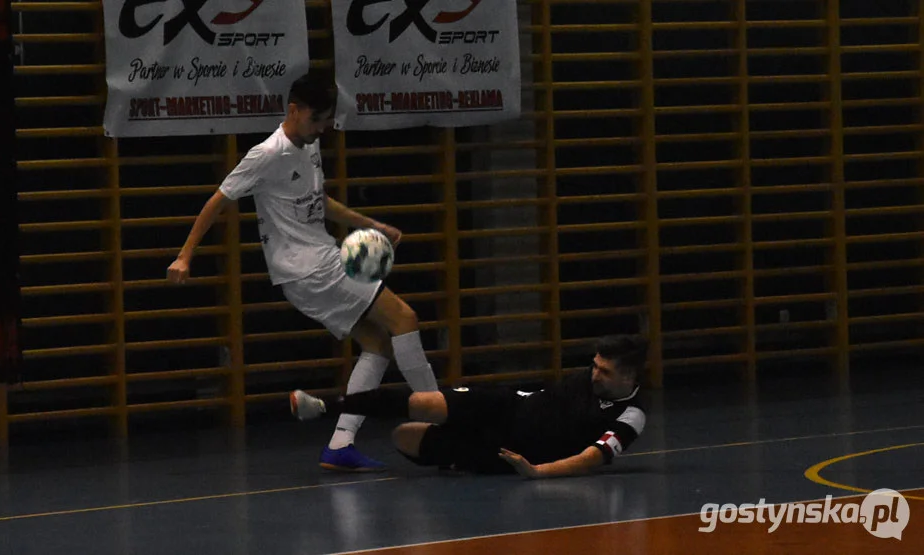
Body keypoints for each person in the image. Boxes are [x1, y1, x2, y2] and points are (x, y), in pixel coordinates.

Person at [167, 72, 439, 472]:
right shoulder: (267, 153)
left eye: (327, 121)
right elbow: (217, 201)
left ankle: (340, 445)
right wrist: (184, 255)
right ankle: (442, 419)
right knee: (404, 318)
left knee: (377, 343)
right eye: (317, 120)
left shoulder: (309, 145)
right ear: (294, 110)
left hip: (315, 263)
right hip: (310, 269)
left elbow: (319, 201)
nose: (323, 128)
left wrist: (371, 224)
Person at [290, 334, 649, 478]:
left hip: (511, 450)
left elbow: (594, 456)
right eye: (595, 365)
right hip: (505, 407)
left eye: (605, 371)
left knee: (404, 437)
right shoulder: (587, 377)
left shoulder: (631, 415)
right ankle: (324, 405)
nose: (594, 373)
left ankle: (453, 452)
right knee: (424, 404)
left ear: (629, 376)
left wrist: (538, 472)